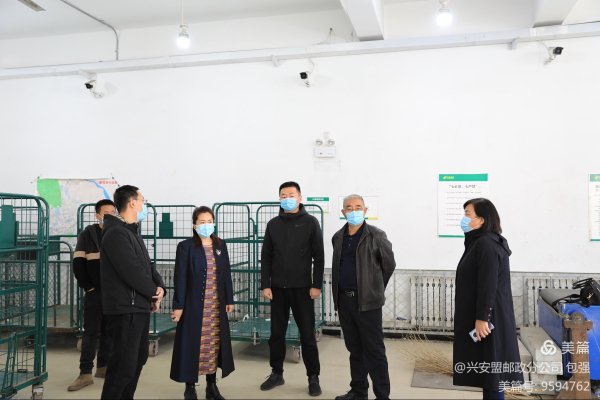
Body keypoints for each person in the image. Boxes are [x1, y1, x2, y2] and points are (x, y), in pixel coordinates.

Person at [99, 185, 166, 399]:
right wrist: (152, 292)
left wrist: (159, 288)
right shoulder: (116, 234)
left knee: (137, 360)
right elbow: (131, 271)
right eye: (142, 200)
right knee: (123, 366)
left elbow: (147, 267)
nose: (144, 205)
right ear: (132, 203)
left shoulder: (131, 232)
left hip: (138, 307)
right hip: (125, 309)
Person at [453, 198, 523, 400]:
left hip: (489, 319)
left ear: (482, 219)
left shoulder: (486, 244)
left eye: (468, 214)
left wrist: (483, 318)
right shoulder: (480, 242)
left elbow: (488, 284)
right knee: (488, 374)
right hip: (487, 315)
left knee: (493, 375)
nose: (464, 219)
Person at [260, 181, 325, 396]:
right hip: (277, 289)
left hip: (303, 289)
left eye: (291, 195)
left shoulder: (311, 222)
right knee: (276, 334)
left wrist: (316, 285)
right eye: (283, 195)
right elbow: (266, 256)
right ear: (279, 198)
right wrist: (265, 284)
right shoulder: (273, 224)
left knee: (307, 334)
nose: (287, 198)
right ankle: (276, 373)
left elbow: (319, 256)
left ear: (300, 198)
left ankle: (313, 377)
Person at [331, 194, 395, 400]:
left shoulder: (376, 235)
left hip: (368, 303)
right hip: (345, 301)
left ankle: (382, 396)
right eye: (349, 208)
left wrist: (374, 289)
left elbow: (388, 265)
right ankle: (359, 392)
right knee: (355, 349)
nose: (354, 211)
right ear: (343, 212)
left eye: (358, 207)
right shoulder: (338, 237)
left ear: (365, 210)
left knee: (374, 351)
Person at [170, 206, 235, 400]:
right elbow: (180, 278)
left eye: (209, 221)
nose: (206, 225)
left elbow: (226, 274)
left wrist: (229, 298)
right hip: (193, 306)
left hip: (215, 306)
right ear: (194, 225)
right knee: (192, 345)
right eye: (202, 222)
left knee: (213, 346)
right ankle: (190, 387)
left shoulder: (220, 245)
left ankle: (211, 387)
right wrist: (178, 306)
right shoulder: (185, 247)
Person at [68, 199, 116, 391]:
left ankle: (103, 367)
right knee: (91, 333)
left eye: (113, 212)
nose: (111, 216)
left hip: (114, 294)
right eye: (106, 213)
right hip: (95, 293)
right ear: (98, 216)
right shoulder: (87, 234)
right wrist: (89, 288)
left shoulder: (118, 233)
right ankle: (85, 373)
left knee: (109, 332)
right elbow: (78, 264)